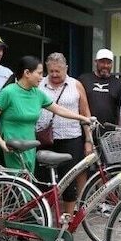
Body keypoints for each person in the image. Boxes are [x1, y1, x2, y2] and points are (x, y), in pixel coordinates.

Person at [0, 56, 93, 173]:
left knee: (28, 181)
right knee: (14, 183)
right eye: (39, 73)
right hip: (11, 143)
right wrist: (0, 141)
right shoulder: (8, 92)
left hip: (30, 142)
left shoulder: (37, 93)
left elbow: (58, 109)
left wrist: (83, 118)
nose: (42, 78)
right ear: (27, 73)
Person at [35, 52, 92, 215]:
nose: (54, 74)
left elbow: (85, 111)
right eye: (51, 71)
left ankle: (67, 217)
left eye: (58, 71)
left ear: (66, 68)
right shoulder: (39, 84)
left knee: (69, 180)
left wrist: (88, 139)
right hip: (43, 138)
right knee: (42, 181)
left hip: (71, 138)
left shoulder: (75, 85)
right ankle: (44, 216)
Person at [78, 48, 121, 126]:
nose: (105, 66)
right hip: (86, 128)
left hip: (110, 132)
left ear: (112, 64)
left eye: (108, 63)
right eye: (102, 62)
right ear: (96, 62)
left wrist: (120, 129)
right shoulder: (84, 79)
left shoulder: (118, 83)